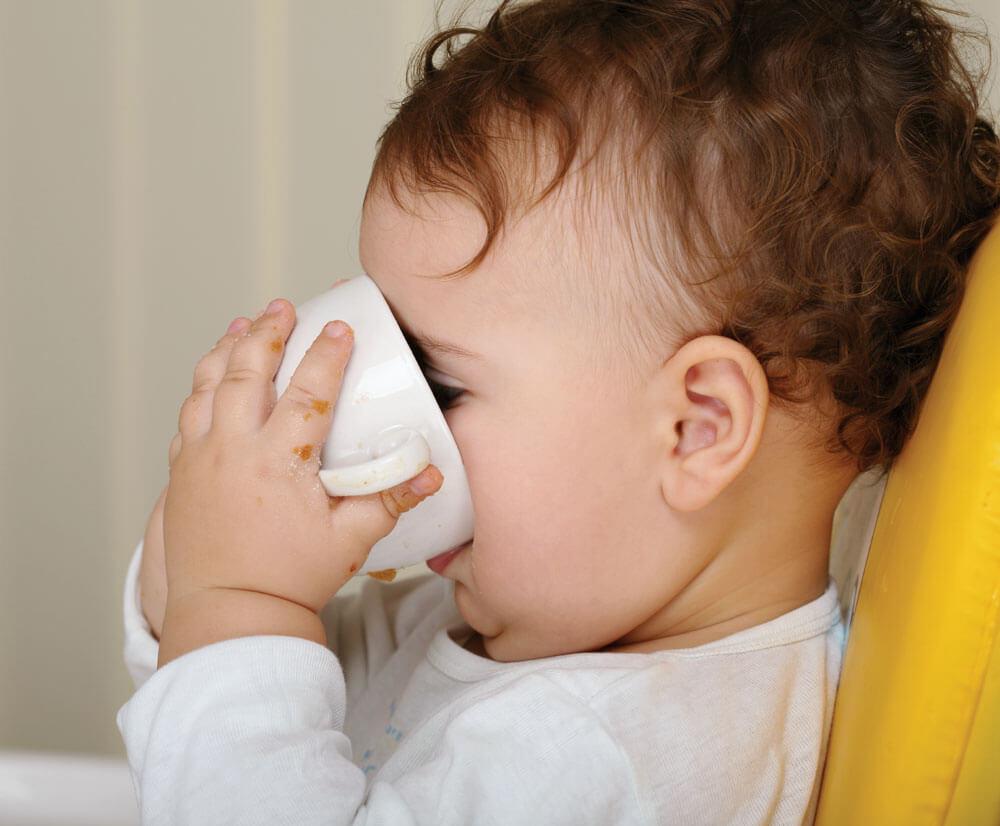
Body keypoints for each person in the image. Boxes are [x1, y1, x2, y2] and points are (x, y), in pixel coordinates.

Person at [117, 0, 1000, 823]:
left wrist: (237, 600)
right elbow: (264, 699)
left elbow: (237, 705)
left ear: (697, 428)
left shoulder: (615, 760)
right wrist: (206, 566)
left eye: (442, 384)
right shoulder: (537, 610)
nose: (392, 409)